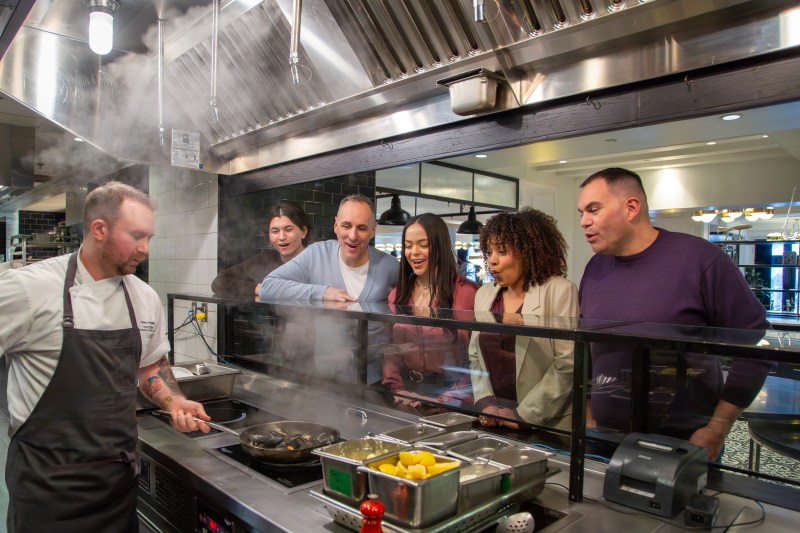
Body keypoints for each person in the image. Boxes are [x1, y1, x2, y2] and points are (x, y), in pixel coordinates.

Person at [0, 181, 211, 533]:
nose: (144, 249)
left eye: (149, 238)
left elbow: (149, 369)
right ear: (99, 229)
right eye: (136, 235)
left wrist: (174, 401)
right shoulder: (29, 289)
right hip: (48, 489)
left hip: (117, 486)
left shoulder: (144, 298)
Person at [577, 167, 772, 460]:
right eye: (581, 212)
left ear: (631, 208)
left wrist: (718, 427)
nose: (584, 221)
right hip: (603, 437)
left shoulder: (700, 259)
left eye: (593, 209)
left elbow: (756, 347)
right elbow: (587, 347)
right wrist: (588, 413)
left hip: (684, 443)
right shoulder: (595, 268)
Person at [259, 194, 399, 381]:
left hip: (377, 378)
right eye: (346, 225)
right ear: (335, 225)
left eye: (362, 228)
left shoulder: (390, 266)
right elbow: (268, 286)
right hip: (327, 376)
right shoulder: (316, 254)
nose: (353, 236)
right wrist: (321, 292)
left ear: (373, 230)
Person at [469, 208, 578, 431]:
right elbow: (474, 356)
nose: (493, 261)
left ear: (528, 251)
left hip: (547, 423)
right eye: (488, 252)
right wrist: (485, 403)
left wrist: (524, 415)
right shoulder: (484, 294)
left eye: (501, 251)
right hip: (494, 418)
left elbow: (567, 365)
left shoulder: (560, 290)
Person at [382, 213, 478, 409]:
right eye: (408, 246)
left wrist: (446, 398)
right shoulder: (397, 294)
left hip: (453, 396)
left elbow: (476, 360)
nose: (414, 252)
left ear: (439, 247)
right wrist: (398, 388)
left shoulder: (466, 292)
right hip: (407, 393)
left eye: (422, 245)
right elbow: (391, 351)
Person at [211, 201, 311, 297]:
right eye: (275, 231)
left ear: (304, 231)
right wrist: (261, 288)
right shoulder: (266, 259)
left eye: (288, 230)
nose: (281, 237)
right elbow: (219, 282)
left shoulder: (316, 258)